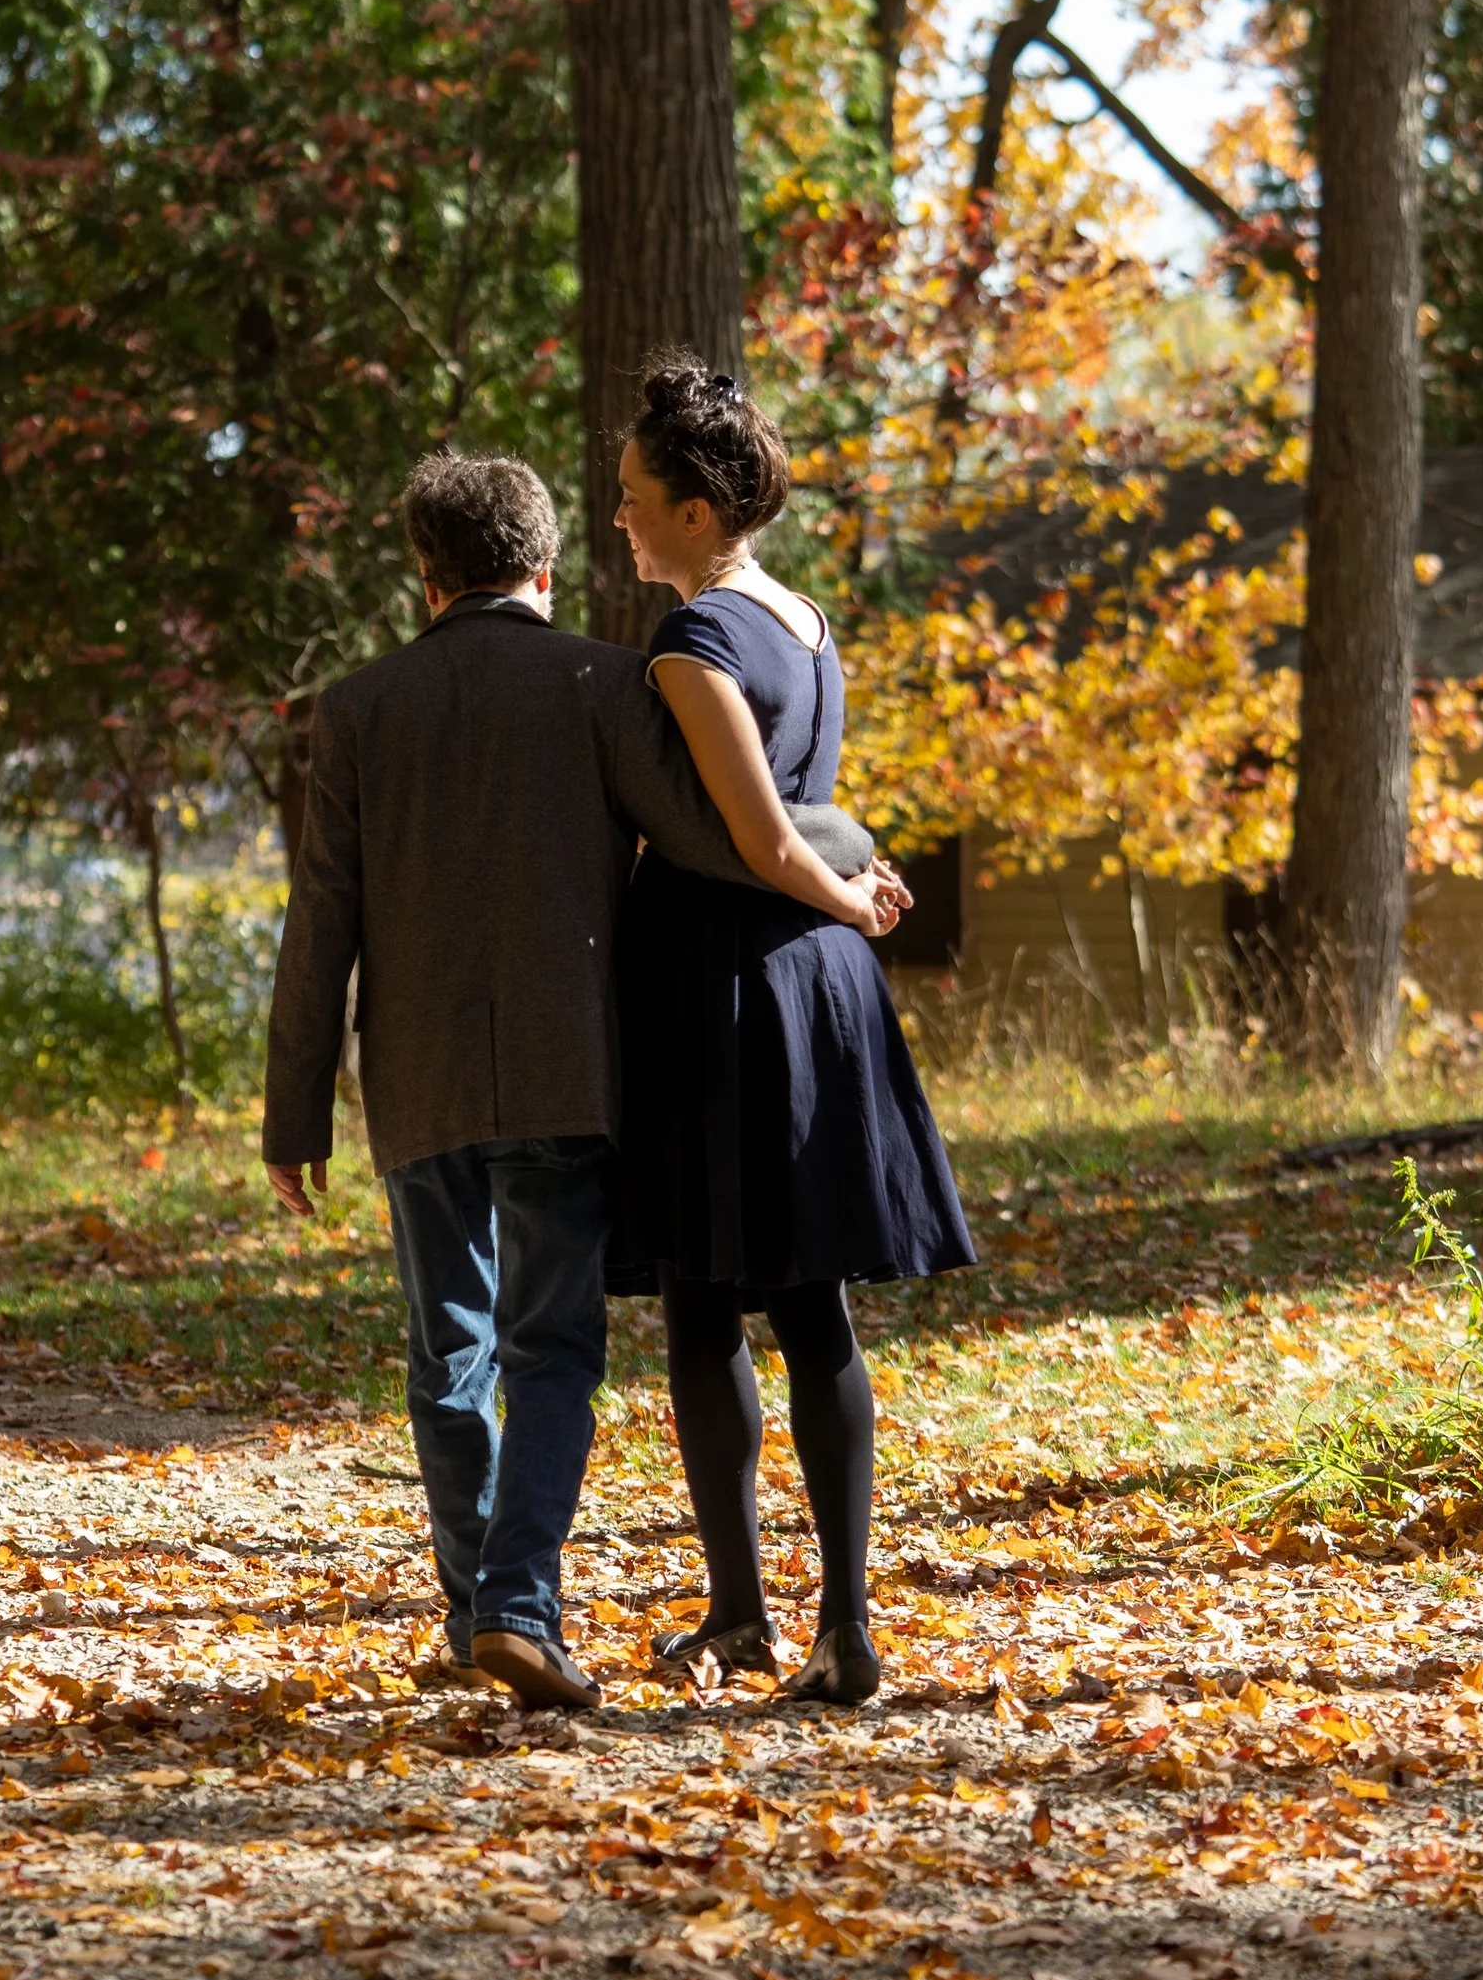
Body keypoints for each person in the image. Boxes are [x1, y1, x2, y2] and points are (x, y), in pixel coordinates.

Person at [261, 448, 901, 1715]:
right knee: (549, 1348)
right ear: (543, 568)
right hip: (568, 1072)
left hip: (418, 1081)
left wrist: (295, 1114)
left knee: (443, 1354)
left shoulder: (356, 707)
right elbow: (724, 835)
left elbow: (319, 922)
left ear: (425, 574)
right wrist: (848, 861)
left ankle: (478, 1611)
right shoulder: (603, 682)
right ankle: (515, 1605)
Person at [610, 357, 975, 1709]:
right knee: (800, 1300)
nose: (624, 518)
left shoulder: (692, 642)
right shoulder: (806, 620)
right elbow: (808, 819)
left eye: (639, 496)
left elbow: (758, 838)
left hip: (731, 979)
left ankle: (774, 1618)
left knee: (712, 1305)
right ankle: (823, 1626)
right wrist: (855, 896)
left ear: (702, 509)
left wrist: (846, 897)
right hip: (812, 976)